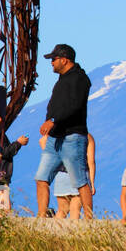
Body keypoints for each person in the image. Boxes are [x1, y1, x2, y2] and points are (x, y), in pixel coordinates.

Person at [34, 43, 93, 219]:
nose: (51, 62)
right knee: (41, 178)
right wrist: (49, 120)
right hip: (54, 138)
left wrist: (53, 120)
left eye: (53, 59)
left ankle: (89, 221)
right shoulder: (63, 79)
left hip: (72, 137)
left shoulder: (79, 79)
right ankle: (41, 217)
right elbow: (57, 105)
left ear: (64, 60)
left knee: (80, 181)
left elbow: (74, 106)